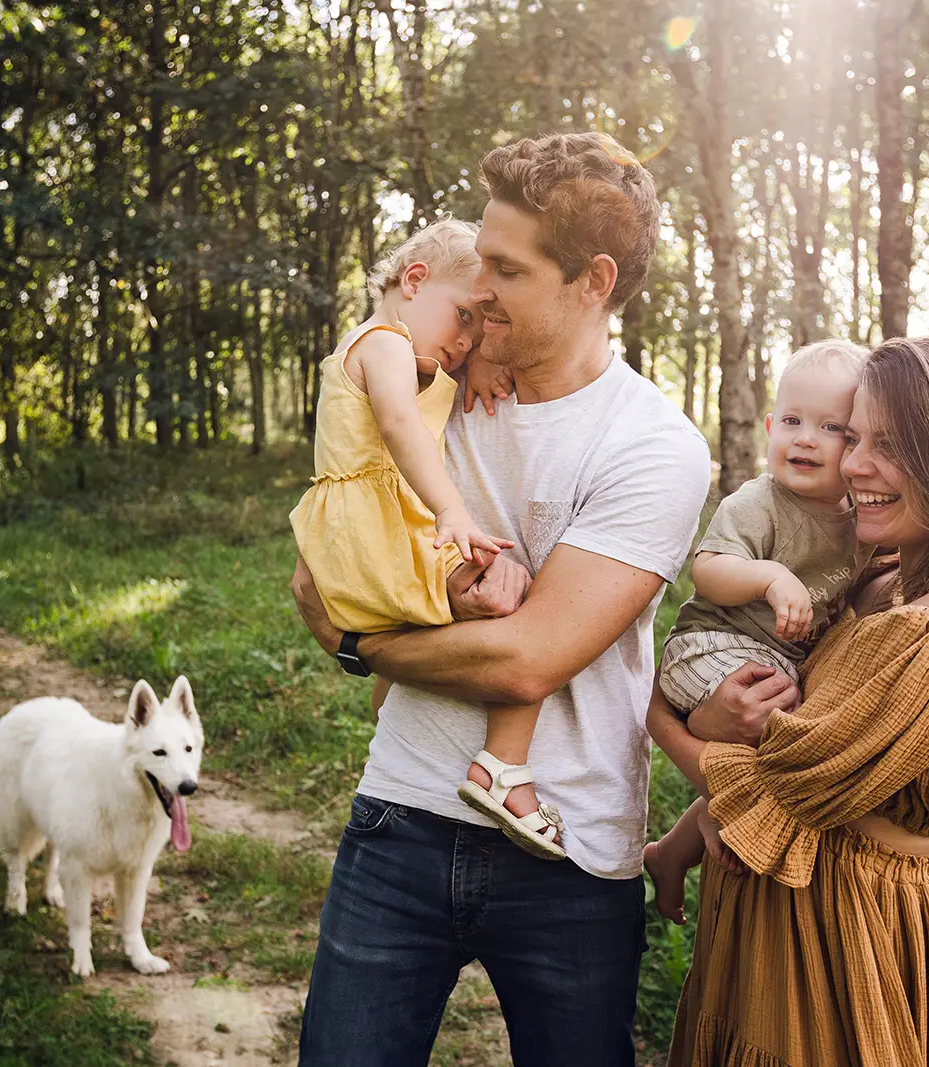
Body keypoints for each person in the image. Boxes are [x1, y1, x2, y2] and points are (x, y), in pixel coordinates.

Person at [289, 131, 711, 1066]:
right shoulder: (434, 379)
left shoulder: (654, 447)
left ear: (593, 282)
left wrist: (359, 646)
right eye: (478, 258)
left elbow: (528, 657)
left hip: (569, 852)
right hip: (401, 811)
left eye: (507, 270)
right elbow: (334, 532)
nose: (477, 286)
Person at [652, 335, 929, 1067]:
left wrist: (660, 717)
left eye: (888, 444)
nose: (851, 463)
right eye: (856, 436)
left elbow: (780, 792)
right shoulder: (888, 579)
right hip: (783, 922)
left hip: (841, 947)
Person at [287, 218, 567, 857]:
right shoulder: (381, 342)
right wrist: (452, 511)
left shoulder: (414, 357)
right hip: (371, 531)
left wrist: (475, 371)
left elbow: (428, 386)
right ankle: (503, 764)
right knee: (508, 590)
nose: (468, 340)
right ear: (414, 281)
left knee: (429, 627)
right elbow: (397, 425)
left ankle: (392, 715)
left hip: (366, 533)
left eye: (480, 328)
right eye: (464, 317)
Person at [643, 339, 873, 925]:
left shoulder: (858, 519)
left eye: (830, 427)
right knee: (780, 725)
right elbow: (708, 572)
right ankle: (728, 811)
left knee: (799, 723)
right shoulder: (758, 502)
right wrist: (768, 575)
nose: (804, 438)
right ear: (770, 425)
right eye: (792, 421)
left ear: (856, 445)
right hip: (708, 646)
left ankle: (671, 853)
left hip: (776, 660)